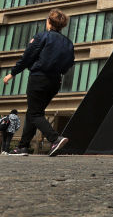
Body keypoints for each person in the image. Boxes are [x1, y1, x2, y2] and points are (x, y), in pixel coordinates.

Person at [5, 9, 75, 156]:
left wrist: (12, 73)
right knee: (34, 112)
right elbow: (69, 64)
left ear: (49, 22)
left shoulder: (42, 36)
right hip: (55, 81)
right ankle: (23, 146)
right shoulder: (68, 43)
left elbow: (27, 57)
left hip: (39, 78)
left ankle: (55, 138)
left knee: (35, 113)